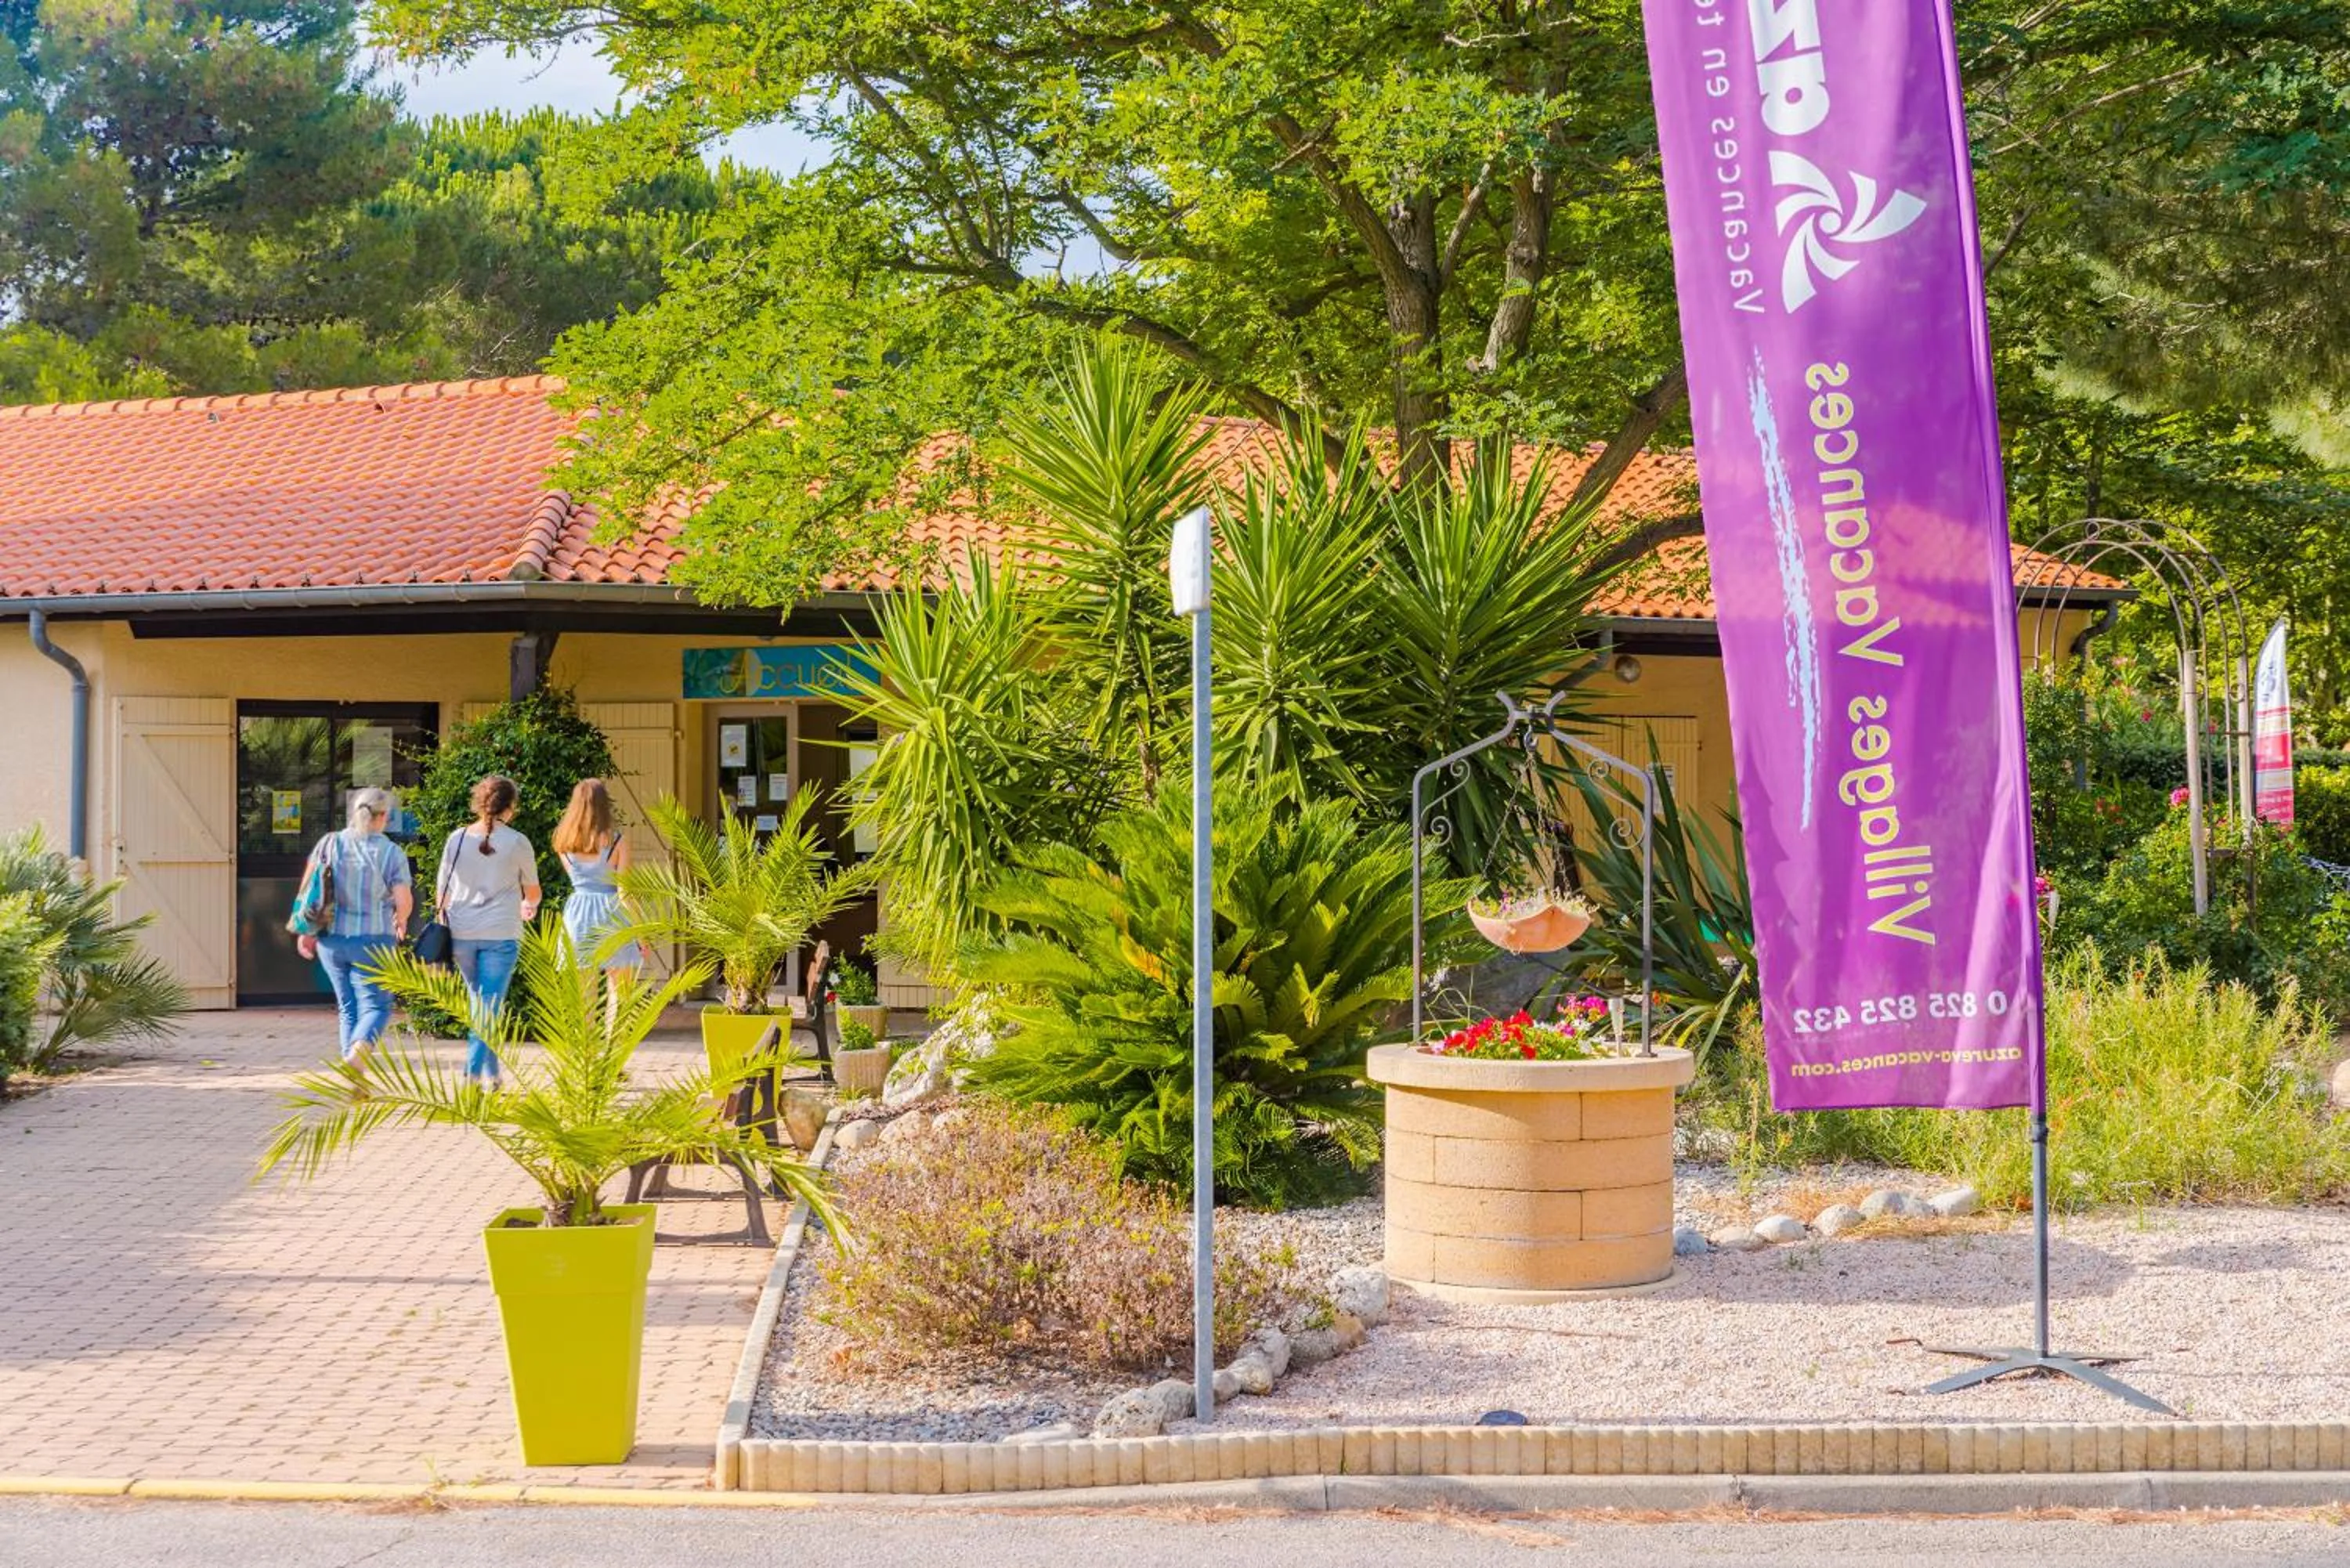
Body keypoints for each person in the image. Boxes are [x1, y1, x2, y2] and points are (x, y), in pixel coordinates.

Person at [432, 775, 540, 1089]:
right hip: (501, 934)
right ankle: (472, 1074)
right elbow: (532, 892)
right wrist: (527, 906)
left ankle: (492, 1077)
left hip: (461, 934)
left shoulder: (457, 838)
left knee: (482, 1005)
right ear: (511, 806)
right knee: (489, 1006)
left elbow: (442, 893)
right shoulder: (518, 842)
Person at [294, 788, 413, 1066]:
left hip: (331, 940)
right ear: (384, 816)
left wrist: (305, 931)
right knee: (377, 1006)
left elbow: (307, 890)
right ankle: (357, 1056)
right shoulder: (391, 852)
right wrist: (402, 920)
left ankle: (353, 1073)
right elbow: (403, 899)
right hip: (374, 939)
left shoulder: (329, 843)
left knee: (348, 1008)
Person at [551, 779, 645, 1024]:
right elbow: (625, 893)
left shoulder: (562, 842)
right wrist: (642, 935)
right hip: (612, 915)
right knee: (619, 992)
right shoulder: (617, 841)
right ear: (605, 805)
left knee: (584, 996)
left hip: (578, 914)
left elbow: (578, 880)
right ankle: (613, 1053)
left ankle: (587, 1055)